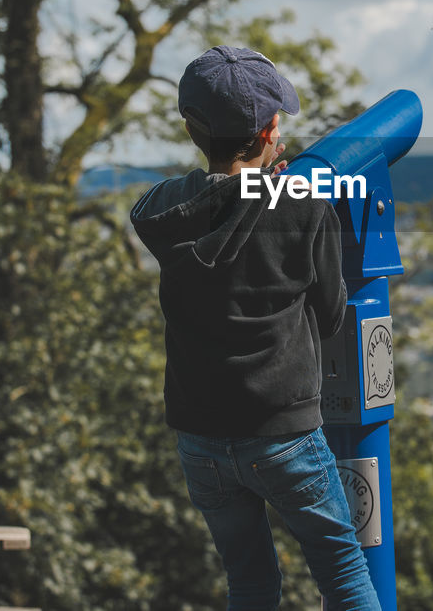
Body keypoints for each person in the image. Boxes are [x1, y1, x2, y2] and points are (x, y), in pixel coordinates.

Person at [130, 45, 381, 611]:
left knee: (249, 584)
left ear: (191, 127)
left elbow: (160, 202)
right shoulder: (301, 205)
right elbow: (330, 313)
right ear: (271, 130)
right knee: (342, 573)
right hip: (282, 432)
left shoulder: (165, 212)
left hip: (200, 439)